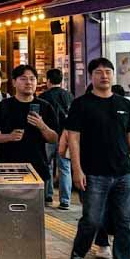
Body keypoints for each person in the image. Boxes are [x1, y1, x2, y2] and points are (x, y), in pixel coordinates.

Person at [66, 58, 130, 259]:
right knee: (92, 220)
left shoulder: (124, 104)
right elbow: (73, 138)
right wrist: (77, 169)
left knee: (125, 224)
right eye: (99, 72)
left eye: (108, 72)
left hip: (123, 174)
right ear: (91, 76)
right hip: (93, 173)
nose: (104, 76)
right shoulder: (81, 104)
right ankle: (79, 250)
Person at [0, 65, 59, 182]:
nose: (28, 82)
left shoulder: (45, 106)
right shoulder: (3, 106)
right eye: (23, 79)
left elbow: (54, 138)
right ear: (14, 82)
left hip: (38, 168)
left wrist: (42, 126)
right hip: (9, 168)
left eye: (32, 79)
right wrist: (9, 137)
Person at [40, 69, 74, 210]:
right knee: (64, 168)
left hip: (48, 137)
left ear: (48, 80)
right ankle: (65, 200)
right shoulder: (69, 96)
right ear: (61, 81)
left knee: (47, 166)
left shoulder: (43, 97)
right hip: (65, 137)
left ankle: (47, 195)